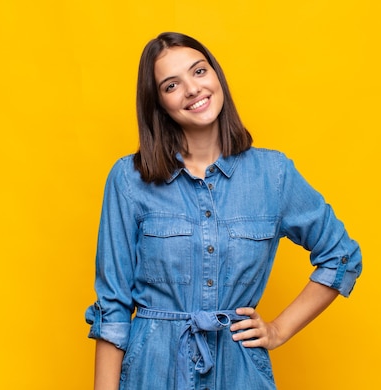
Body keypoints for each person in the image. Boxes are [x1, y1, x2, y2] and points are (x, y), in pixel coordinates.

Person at [85, 32, 362, 390]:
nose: (192, 89)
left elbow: (341, 257)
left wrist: (279, 329)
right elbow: (112, 308)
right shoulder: (129, 179)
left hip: (240, 373)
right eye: (171, 85)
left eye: (199, 71)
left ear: (216, 76)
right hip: (152, 371)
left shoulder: (273, 175)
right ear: (159, 104)